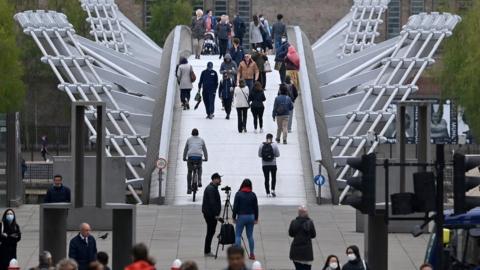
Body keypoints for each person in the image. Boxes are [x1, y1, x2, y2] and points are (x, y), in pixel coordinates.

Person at [232, 179, 258, 260]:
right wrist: (256, 218)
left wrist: (233, 217)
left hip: (242, 216)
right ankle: (252, 254)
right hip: (251, 216)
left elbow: (235, 207)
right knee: (250, 236)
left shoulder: (238, 194)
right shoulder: (253, 194)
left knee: (238, 235)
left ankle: (238, 255)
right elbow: (256, 207)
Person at [289, 206, 317, 270]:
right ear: (306, 213)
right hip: (307, 251)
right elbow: (313, 235)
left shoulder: (293, 222)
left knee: (298, 267)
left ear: (298, 213)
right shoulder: (310, 223)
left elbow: (291, 234)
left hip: (295, 251)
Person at [202, 173, 222, 257]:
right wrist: (216, 215)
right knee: (210, 232)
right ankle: (207, 251)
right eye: (219, 179)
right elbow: (212, 203)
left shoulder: (213, 188)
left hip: (210, 214)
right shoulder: (211, 189)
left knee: (211, 231)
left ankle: (207, 250)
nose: (220, 181)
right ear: (214, 179)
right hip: (210, 214)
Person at [183, 128, 208, 194]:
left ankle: (189, 188)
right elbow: (205, 150)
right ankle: (199, 180)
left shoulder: (189, 140)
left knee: (189, 171)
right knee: (199, 168)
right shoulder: (201, 140)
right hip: (199, 157)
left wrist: (184, 158)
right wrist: (206, 158)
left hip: (190, 157)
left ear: (192, 134)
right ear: (198, 134)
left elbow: (185, 150)